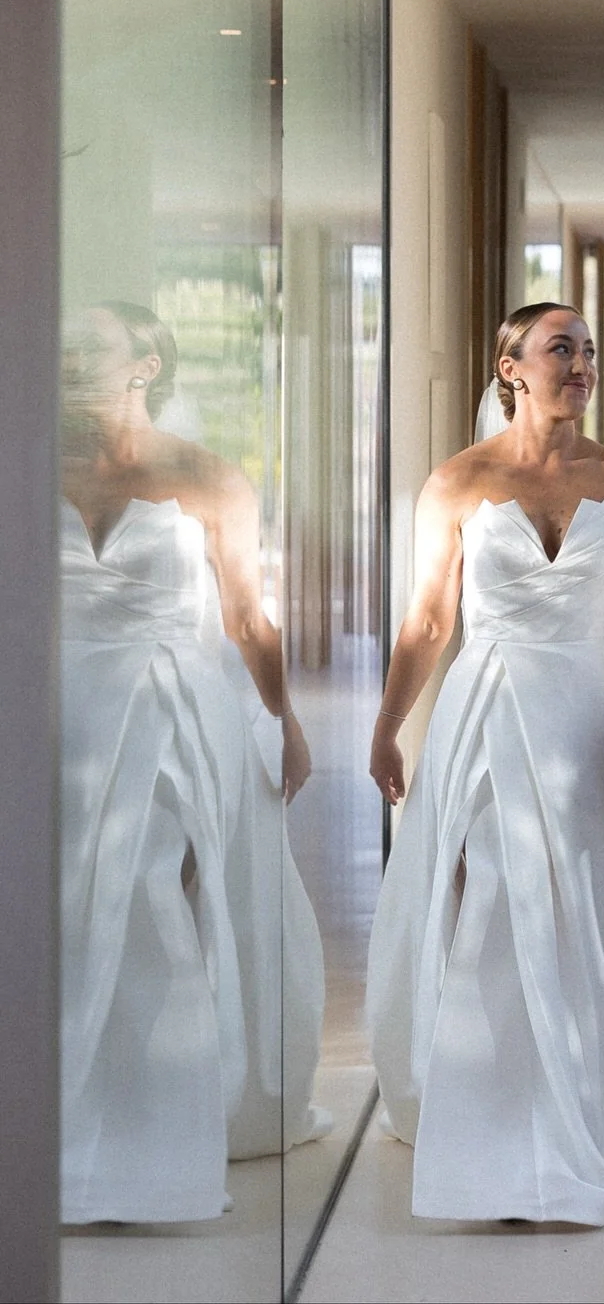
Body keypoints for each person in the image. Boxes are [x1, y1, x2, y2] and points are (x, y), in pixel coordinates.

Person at [366, 302, 604, 1226]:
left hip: (596, 711)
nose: (581, 363)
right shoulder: (456, 483)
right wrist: (387, 727)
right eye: (560, 349)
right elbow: (429, 619)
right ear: (511, 367)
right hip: (494, 708)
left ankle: (602, 1100)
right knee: (500, 899)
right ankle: (509, 1126)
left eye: (588, 349)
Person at [59, 302, 328, 1224]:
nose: (64, 355)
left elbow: (248, 617)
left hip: (172, 707)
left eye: (85, 341)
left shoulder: (207, 475)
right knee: (57, 907)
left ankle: (149, 1115)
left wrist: (282, 717)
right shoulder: (27, 462)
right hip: (55, 718)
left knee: (152, 894)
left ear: (146, 362)